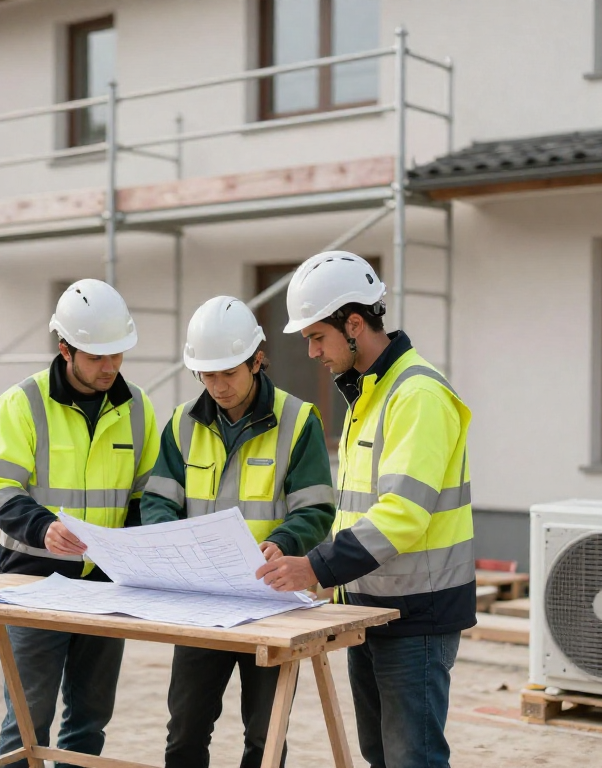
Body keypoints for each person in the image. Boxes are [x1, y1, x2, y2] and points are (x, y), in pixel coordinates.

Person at [255, 252, 476, 768]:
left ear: (354, 324)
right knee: (380, 754)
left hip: (417, 615)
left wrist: (317, 566)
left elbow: (402, 513)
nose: (312, 351)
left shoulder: (416, 394)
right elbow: (358, 510)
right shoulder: (368, 393)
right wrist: (320, 569)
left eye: (318, 337)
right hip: (370, 609)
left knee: (412, 759)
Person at [141, 295, 335, 768]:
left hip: (270, 601)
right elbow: (158, 500)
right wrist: (170, 540)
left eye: (228, 373)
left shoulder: (298, 421)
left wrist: (284, 543)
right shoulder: (182, 424)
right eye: (207, 375)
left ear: (257, 360)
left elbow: (316, 508)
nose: (218, 386)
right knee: (185, 731)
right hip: (201, 602)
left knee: (265, 736)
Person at [0, 278, 159, 768]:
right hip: (33, 584)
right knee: (27, 720)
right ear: (65, 349)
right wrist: (43, 528)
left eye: (117, 354)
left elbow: (146, 494)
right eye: (97, 357)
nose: (110, 367)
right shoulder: (22, 403)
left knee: (90, 717)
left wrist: (132, 546)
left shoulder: (137, 406)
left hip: (108, 585)